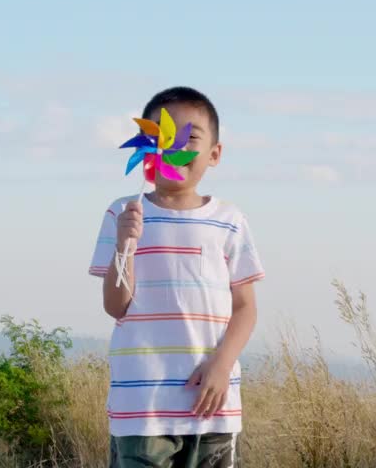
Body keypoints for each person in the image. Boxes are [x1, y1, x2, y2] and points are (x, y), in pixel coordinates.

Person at [88, 86, 264, 468]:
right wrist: (125, 245)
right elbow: (115, 306)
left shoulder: (230, 221)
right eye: (161, 136)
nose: (172, 145)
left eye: (190, 137)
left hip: (212, 403)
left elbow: (245, 307)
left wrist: (222, 364)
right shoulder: (122, 213)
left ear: (215, 154)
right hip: (142, 404)